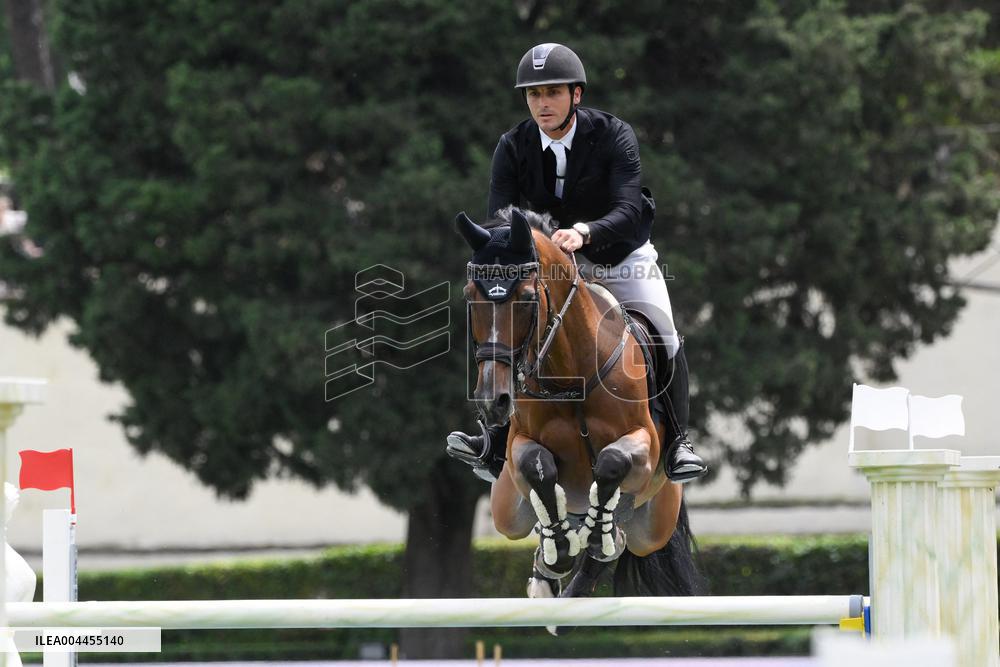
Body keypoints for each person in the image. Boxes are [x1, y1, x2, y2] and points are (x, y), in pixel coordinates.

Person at [447, 43, 707, 484]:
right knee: (498, 318)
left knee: (664, 329)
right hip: (550, 266)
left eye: (552, 92)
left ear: (576, 95)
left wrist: (584, 232)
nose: (542, 104)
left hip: (618, 254)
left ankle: (678, 441)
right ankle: (493, 440)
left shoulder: (612, 135)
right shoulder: (512, 146)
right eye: (533, 95)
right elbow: (502, 219)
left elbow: (627, 207)